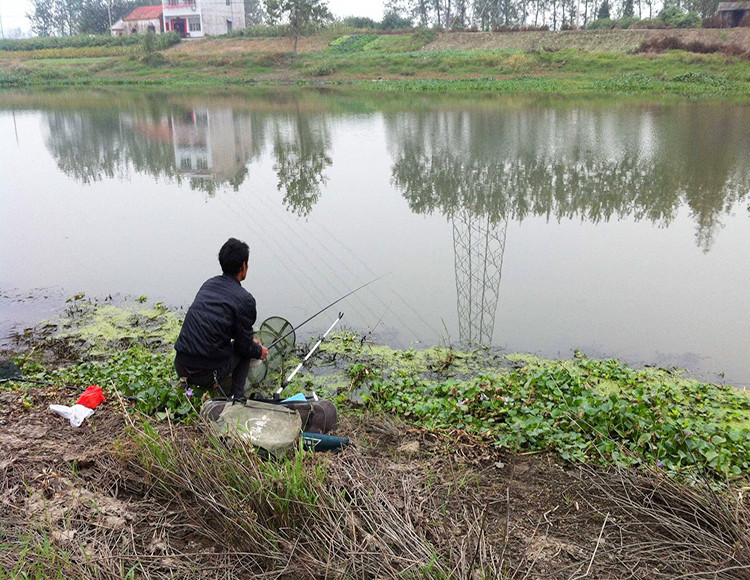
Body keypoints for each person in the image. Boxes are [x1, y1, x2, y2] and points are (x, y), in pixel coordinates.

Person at [174, 238, 268, 399]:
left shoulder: (208, 285)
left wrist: (249, 341)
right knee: (244, 350)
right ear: (244, 266)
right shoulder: (245, 300)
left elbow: (218, 325)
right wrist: (259, 350)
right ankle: (237, 398)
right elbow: (244, 347)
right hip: (205, 374)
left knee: (244, 344)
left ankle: (189, 385)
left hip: (181, 366)